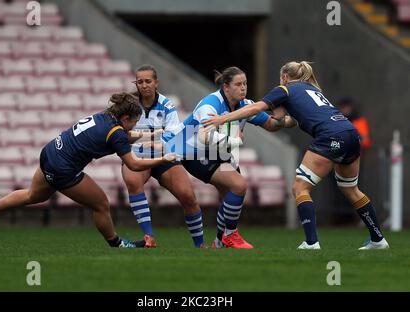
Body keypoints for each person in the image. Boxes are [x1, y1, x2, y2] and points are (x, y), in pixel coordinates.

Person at [203, 61, 389, 250]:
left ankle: (311, 243)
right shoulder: (311, 89)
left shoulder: (284, 89)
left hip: (331, 137)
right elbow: (289, 118)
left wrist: (223, 118)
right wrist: (281, 118)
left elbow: (256, 108)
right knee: (351, 190)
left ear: (284, 76)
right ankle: (378, 240)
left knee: (300, 187)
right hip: (351, 133)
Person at [0, 92, 177, 249]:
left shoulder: (105, 117)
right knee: (101, 204)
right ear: (125, 119)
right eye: (133, 121)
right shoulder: (116, 133)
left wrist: (152, 135)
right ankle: (118, 244)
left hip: (50, 152)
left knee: (32, 194)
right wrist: (162, 159)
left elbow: (123, 137)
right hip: (63, 168)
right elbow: (133, 164)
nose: (134, 125)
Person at [166, 66, 293, 249]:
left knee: (230, 195)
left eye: (245, 84)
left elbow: (271, 124)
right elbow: (205, 136)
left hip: (222, 153)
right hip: (194, 152)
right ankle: (230, 235)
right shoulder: (209, 105)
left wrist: (289, 120)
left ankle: (219, 242)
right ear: (226, 87)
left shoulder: (245, 105)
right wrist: (235, 140)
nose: (243, 88)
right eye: (238, 84)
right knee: (239, 185)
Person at [123, 64, 204, 248]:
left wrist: (157, 142)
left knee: (188, 196)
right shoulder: (129, 105)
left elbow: (175, 133)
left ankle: (200, 245)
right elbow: (121, 132)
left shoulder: (167, 104)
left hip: (164, 155)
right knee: (133, 183)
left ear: (156, 83)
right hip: (137, 155)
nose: (144, 85)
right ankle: (149, 238)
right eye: (140, 82)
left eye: (148, 81)